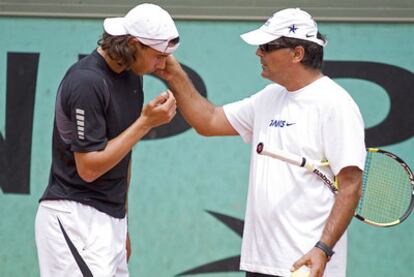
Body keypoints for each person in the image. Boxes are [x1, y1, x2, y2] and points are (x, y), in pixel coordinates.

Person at [157, 8, 366, 277]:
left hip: (307, 266)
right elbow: (208, 121)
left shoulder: (336, 105)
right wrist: (172, 71)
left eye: (267, 47)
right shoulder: (270, 97)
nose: (258, 53)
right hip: (261, 264)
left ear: (297, 53)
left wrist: (322, 249)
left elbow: (351, 185)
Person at [34, 3, 179, 276]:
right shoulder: (86, 82)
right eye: (159, 56)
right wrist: (145, 123)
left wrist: (122, 222)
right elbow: (88, 169)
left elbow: (124, 154)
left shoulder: (132, 77)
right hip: (74, 217)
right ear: (135, 44)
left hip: (110, 220)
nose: (163, 65)